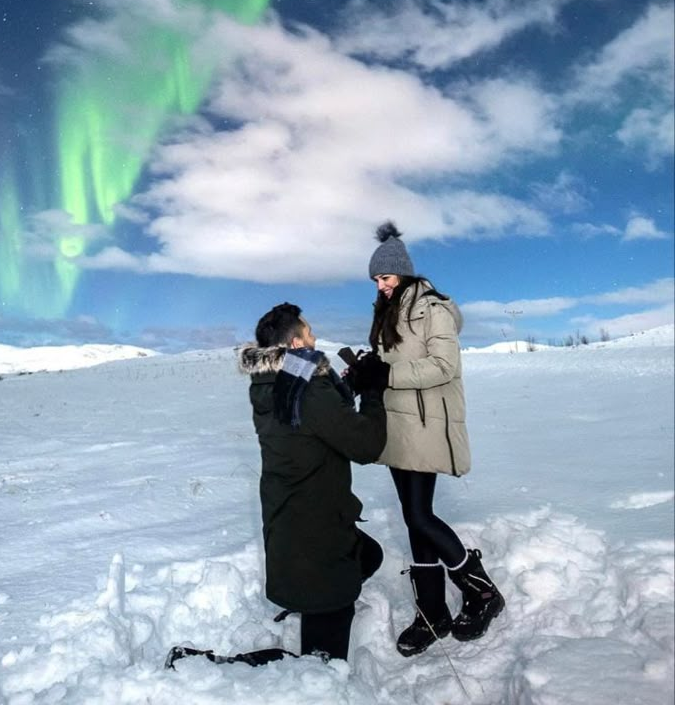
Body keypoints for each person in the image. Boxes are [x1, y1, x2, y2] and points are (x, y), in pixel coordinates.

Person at [166, 302, 388, 672]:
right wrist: (375, 393)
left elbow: (313, 420)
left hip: (294, 521)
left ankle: (312, 604)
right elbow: (366, 445)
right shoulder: (305, 390)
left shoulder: (276, 383)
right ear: (297, 342)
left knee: (369, 555)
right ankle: (218, 669)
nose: (315, 337)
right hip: (316, 535)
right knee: (323, 671)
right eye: (310, 332)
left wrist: (348, 385)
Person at [352, 221, 504, 658]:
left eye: (386, 277)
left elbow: (444, 366)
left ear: (404, 272)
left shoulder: (431, 308)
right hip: (398, 429)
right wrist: (366, 372)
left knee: (420, 516)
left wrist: (388, 373)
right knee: (413, 516)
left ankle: (482, 593)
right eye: (376, 279)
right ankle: (432, 612)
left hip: (425, 425)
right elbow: (388, 362)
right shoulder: (390, 311)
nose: (380, 286)